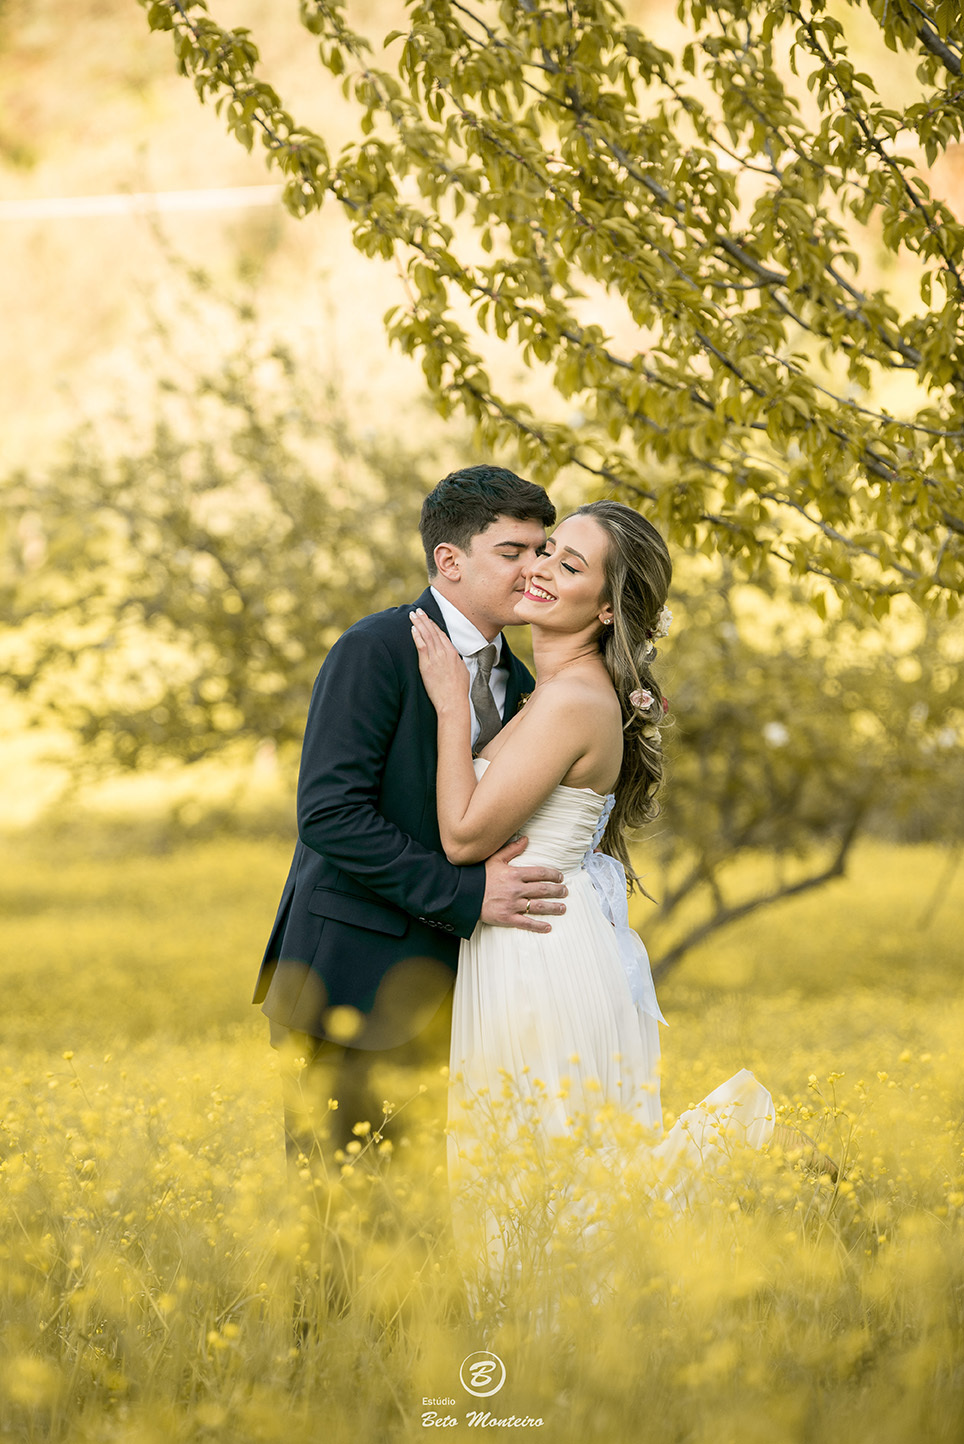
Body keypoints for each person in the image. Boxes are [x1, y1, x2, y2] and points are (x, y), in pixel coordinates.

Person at [410, 500, 784, 1277]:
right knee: (538, 1172)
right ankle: (560, 1367)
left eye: (569, 564)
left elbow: (465, 836)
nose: (541, 568)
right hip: (526, 937)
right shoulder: (554, 694)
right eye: (546, 551)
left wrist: (451, 706)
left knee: (565, 1181)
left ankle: (764, 1141)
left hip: (541, 953)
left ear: (608, 608)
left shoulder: (576, 700)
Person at [254, 465, 567, 1169]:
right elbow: (330, 816)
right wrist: (467, 896)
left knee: (428, 1240)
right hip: (350, 985)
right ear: (448, 561)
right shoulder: (375, 650)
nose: (533, 569)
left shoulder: (522, 683)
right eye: (512, 552)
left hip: (462, 997)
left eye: (541, 551)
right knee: (343, 1228)